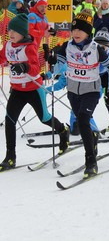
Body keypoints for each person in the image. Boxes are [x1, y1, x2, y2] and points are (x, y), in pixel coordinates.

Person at [49, 10, 109, 177]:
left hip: (91, 91)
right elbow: (58, 66)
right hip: (73, 91)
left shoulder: (96, 49)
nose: (76, 33)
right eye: (73, 30)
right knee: (82, 123)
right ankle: (93, 136)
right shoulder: (67, 46)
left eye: (80, 30)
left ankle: (91, 161)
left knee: (82, 119)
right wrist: (52, 61)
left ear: (88, 32)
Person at [0, 14, 69, 170]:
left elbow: (36, 69)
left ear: (23, 33)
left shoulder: (29, 47)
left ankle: (63, 131)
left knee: (44, 118)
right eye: (9, 30)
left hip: (34, 89)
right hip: (17, 90)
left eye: (15, 31)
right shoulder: (8, 45)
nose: (11, 34)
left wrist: (24, 67)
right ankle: (10, 157)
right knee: (10, 121)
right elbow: (1, 57)